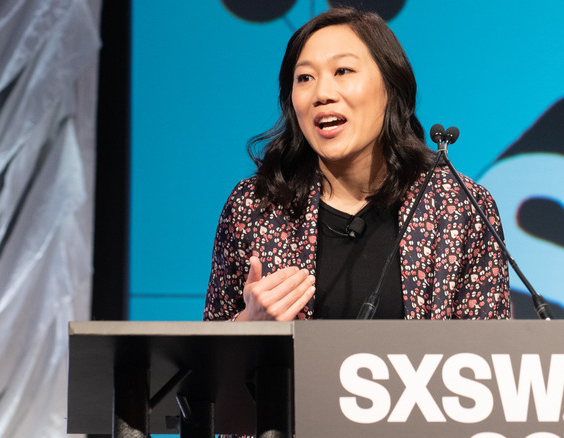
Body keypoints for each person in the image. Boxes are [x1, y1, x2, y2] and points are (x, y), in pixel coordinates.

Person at [203, 8, 510, 322]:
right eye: (305, 78)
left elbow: (488, 355)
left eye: (343, 71)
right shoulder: (256, 205)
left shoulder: (456, 205)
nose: (322, 94)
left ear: (390, 87)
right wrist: (249, 324)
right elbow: (207, 362)